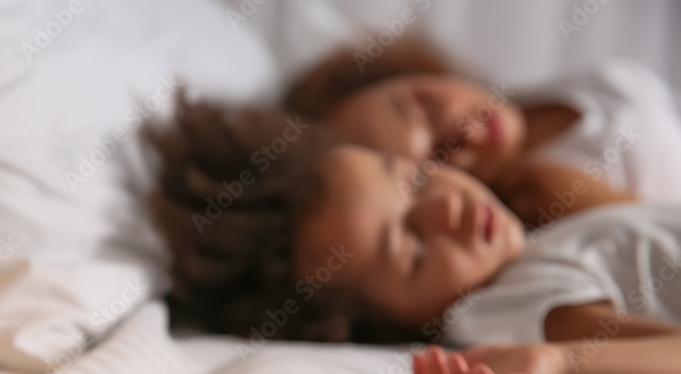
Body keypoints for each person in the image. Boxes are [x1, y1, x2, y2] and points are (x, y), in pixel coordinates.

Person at [146, 98, 681, 374]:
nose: (447, 208)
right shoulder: (514, 301)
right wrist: (561, 362)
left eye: (419, 180)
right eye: (414, 250)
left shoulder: (535, 246)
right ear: (394, 325)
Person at [283, 39, 681, 230]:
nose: (470, 134)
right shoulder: (554, 194)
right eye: (441, 157)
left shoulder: (570, 87)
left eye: (421, 105)